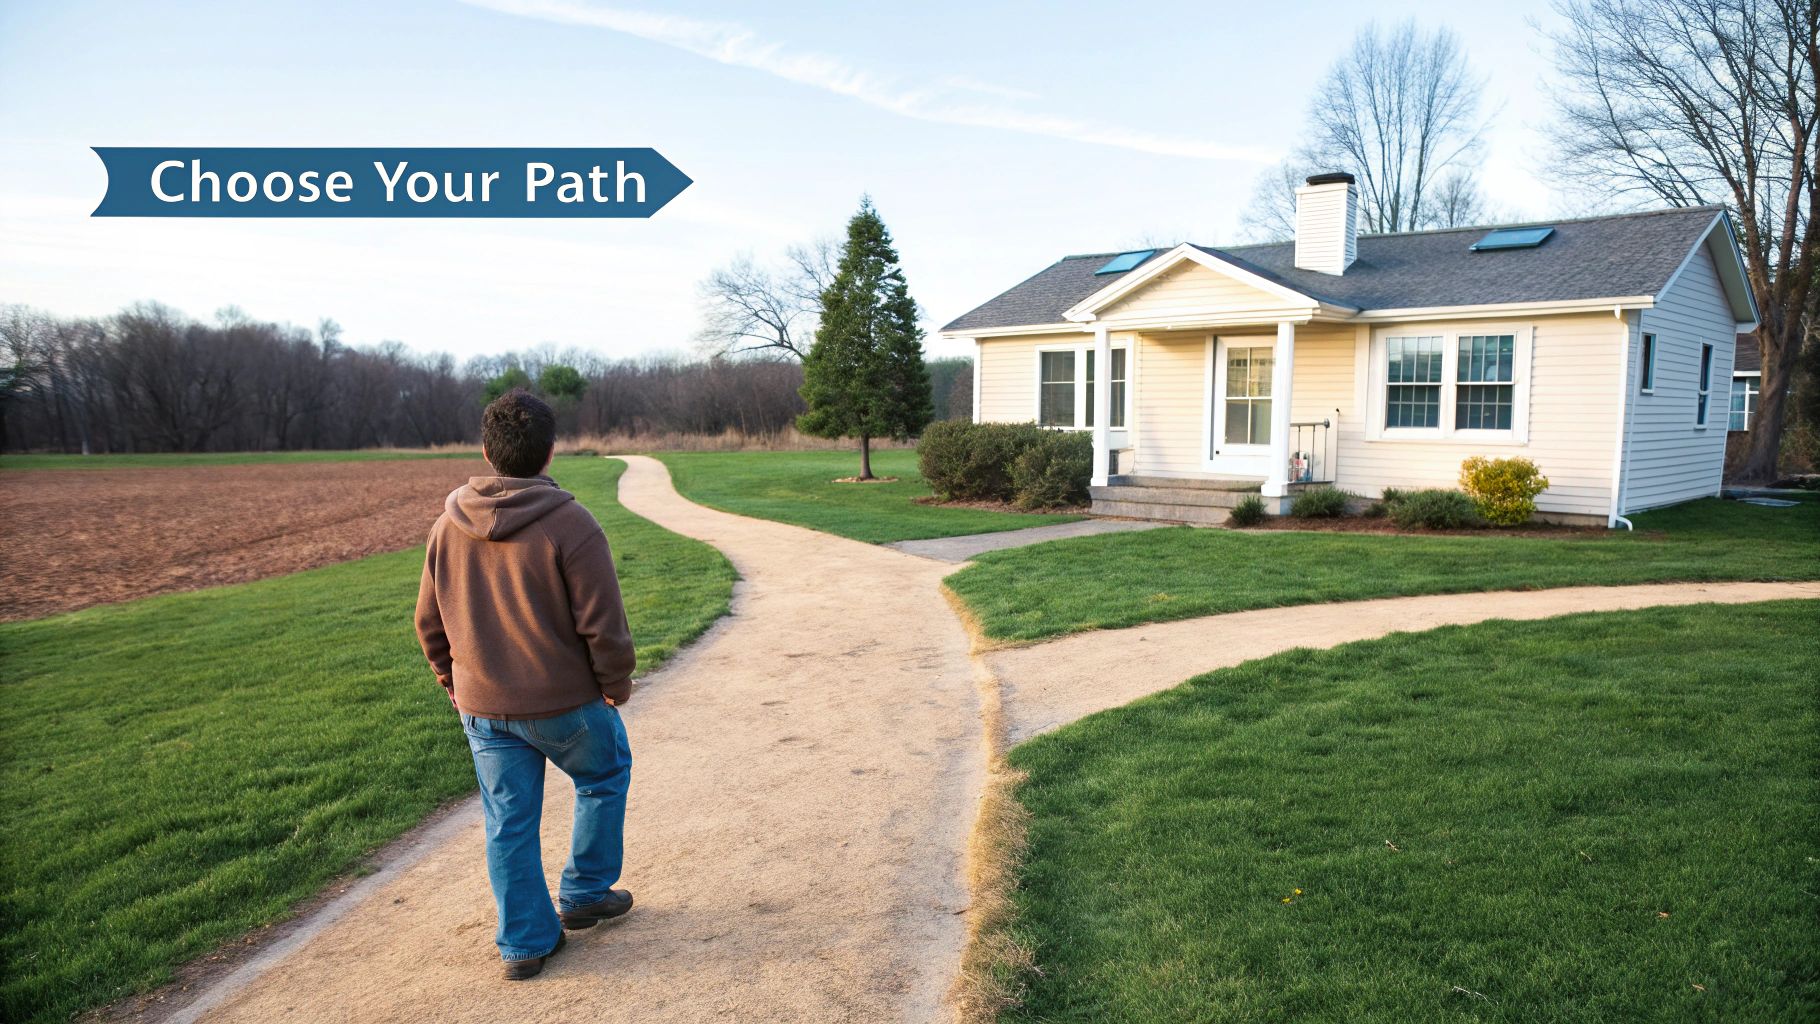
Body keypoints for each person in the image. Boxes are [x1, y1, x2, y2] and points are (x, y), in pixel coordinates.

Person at [414, 388, 637, 980]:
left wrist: (450, 680)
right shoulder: (571, 522)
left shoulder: (447, 526)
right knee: (604, 774)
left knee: (508, 821)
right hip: (563, 701)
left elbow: (428, 622)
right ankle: (586, 891)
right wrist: (616, 683)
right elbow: (603, 623)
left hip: (484, 707)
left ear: (487, 451)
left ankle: (525, 943)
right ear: (550, 452)